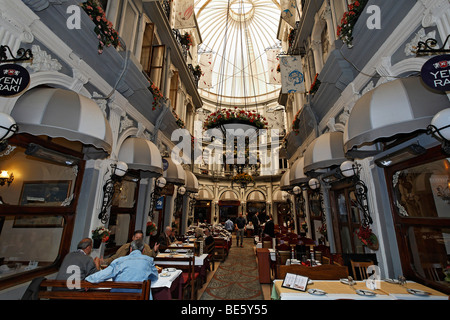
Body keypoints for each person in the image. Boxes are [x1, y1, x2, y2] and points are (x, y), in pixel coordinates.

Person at [85, 239, 159, 299]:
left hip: (119, 296)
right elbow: (155, 277)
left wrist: (88, 280)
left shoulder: (119, 261)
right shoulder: (148, 260)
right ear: (143, 251)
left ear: (130, 249)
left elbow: (104, 274)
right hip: (140, 297)